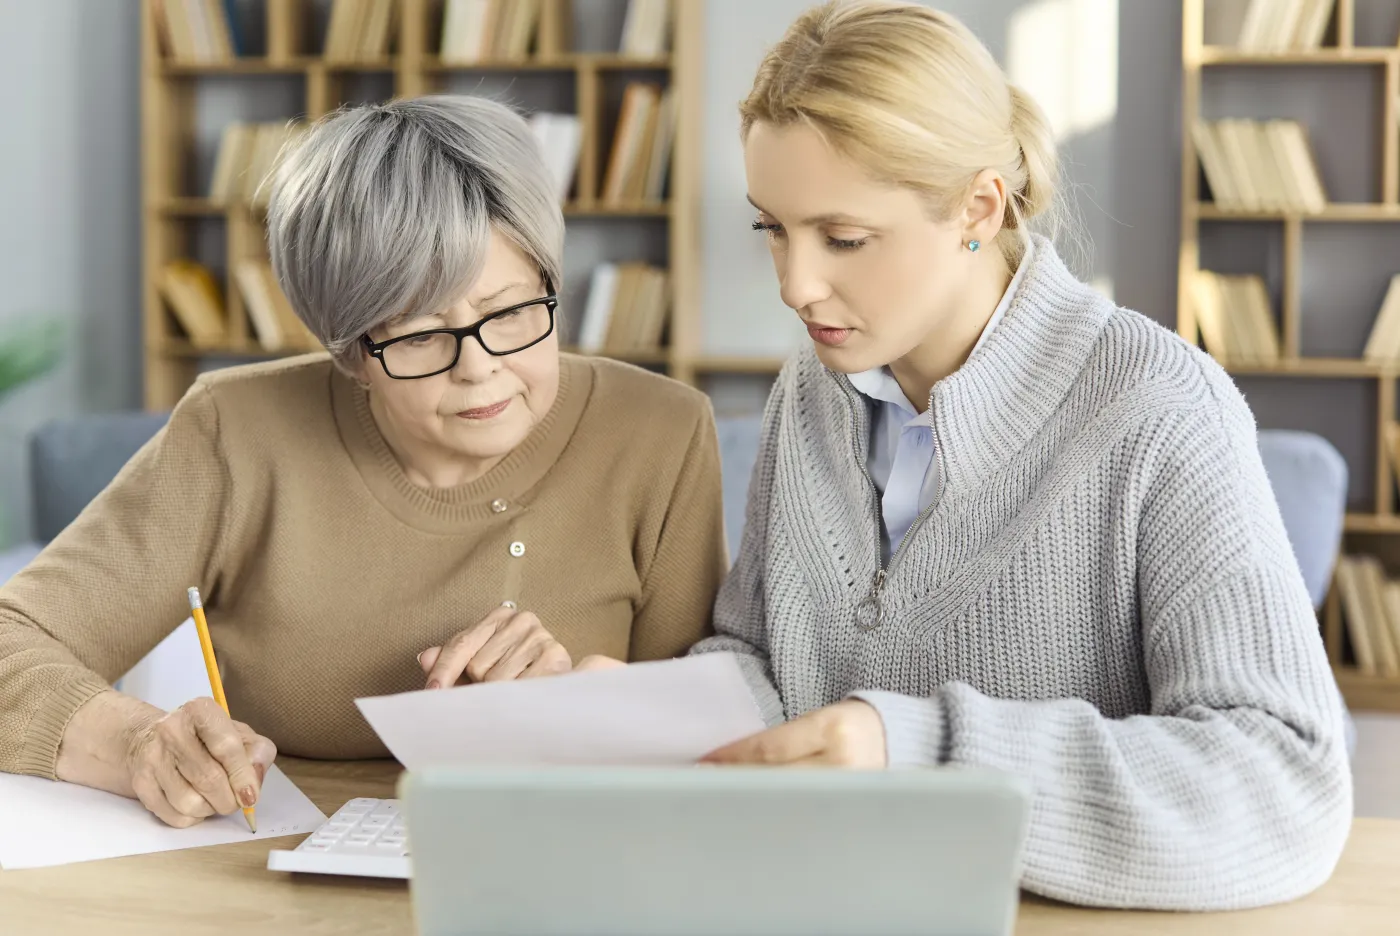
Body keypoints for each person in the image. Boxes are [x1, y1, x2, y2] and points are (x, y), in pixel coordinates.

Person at [687, 0, 1351, 913]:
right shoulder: (810, 389)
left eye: (843, 238)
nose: (796, 284)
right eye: (773, 228)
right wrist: (662, 706)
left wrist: (921, 758)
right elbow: (764, 656)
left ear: (979, 207)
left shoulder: (1159, 407)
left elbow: (1286, 784)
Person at [0, 96, 726, 829]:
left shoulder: (660, 432)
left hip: (559, 847)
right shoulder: (234, 431)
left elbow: (716, 730)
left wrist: (585, 713)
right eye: (419, 335)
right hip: (264, 861)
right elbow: (13, 639)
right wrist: (137, 744)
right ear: (349, 353)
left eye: (510, 313)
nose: (479, 368)